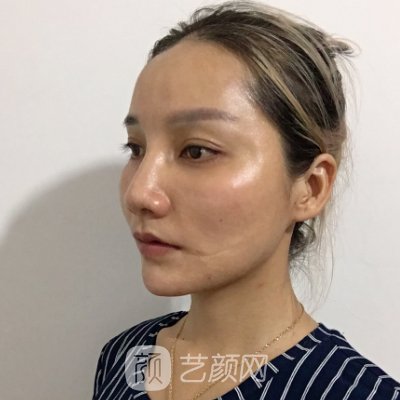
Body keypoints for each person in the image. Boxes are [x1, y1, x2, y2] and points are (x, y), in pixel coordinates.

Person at [92, 1, 400, 399]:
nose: (139, 193)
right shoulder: (124, 359)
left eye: (197, 151)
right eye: (136, 148)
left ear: (310, 187)